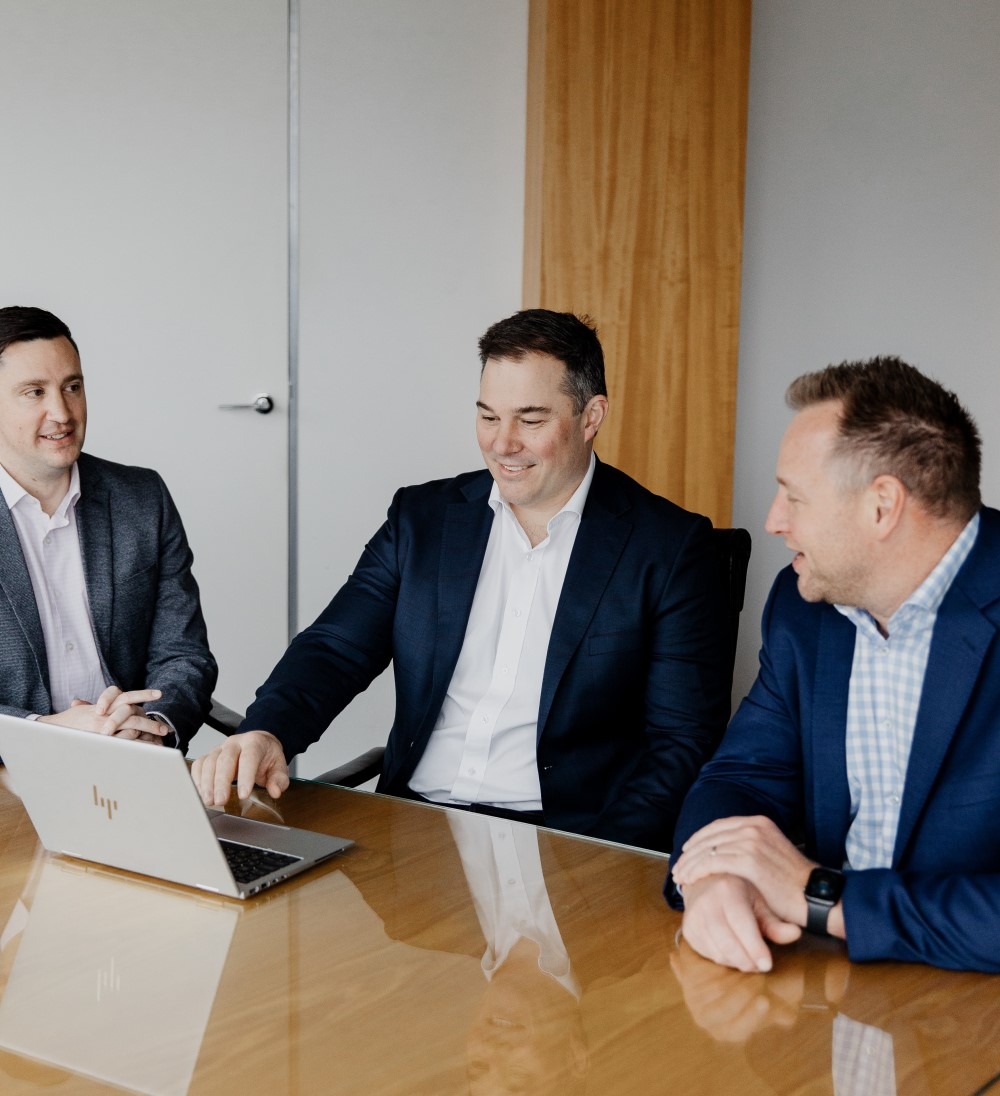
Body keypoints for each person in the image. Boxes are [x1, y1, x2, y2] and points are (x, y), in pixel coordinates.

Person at [193, 308, 730, 851]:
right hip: (411, 830)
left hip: (568, 841)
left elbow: (680, 744)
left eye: (531, 419)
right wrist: (267, 731)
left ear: (592, 416)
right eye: (488, 417)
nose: (502, 444)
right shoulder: (422, 519)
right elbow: (335, 649)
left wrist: (598, 861)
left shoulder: (670, 548)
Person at [668, 355, 1000, 972]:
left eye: (795, 497)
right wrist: (715, 878)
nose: (772, 521)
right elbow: (740, 778)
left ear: (882, 506)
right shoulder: (805, 607)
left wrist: (826, 899)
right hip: (823, 984)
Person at [0, 306, 216, 748]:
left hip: (133, 757)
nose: (61, 412)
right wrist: (47, 731)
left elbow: (184, 654)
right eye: (34, 392)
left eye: (72, 387)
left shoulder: (141, 497)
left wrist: (153, 726)